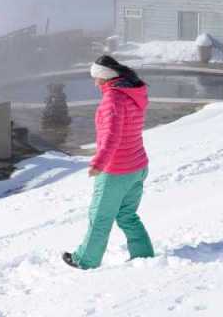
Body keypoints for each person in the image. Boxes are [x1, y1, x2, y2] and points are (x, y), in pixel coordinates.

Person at [63, 55, 155, 269]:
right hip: (137, 165)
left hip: (117, 170)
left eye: (97, 78)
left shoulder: (112, 100)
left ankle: (85, 260)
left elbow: (111, 137)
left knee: (100, 217)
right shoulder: (133, 94)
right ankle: (144, 255)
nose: (95, 83)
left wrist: (99, 164)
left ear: (106, 78)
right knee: (127, 215)